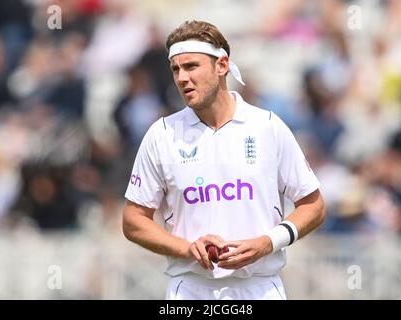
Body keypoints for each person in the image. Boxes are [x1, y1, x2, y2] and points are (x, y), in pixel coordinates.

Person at [122, 20, 325, 300]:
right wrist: (187, 248)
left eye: (191, 66)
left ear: (222, 65)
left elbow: (313, 205)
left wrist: (267, 243)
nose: (182, 78)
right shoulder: (162, 134)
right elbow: (133, 220)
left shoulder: (267, 127)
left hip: (261, 288)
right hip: (190, 289)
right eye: (175, 69)